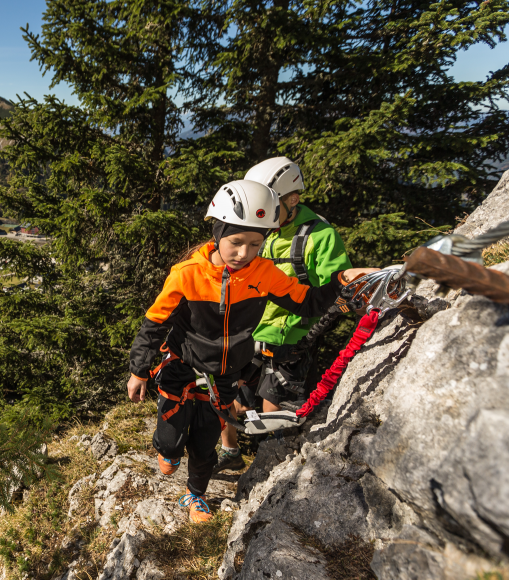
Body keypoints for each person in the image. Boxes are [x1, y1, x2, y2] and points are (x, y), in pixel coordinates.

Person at [126, 180, 376, 523]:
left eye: (256, 244)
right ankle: (166, 449)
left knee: (205, 442)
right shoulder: (187, 275)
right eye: (236, 242)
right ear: (218, 233)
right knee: (170, 439)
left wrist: (342, 281)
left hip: (226, 374)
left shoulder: (263, 273)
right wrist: (139, 369)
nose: (244, 253)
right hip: (183, 366)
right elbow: (154, 323)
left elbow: (305, 304)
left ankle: (195, 494)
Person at [215, 158, 353, 473]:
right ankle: (230, 451)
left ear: (292, 199)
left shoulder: (319, 236)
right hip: (251, 329)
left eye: (271, 205)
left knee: (273, 401)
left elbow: (338, 291)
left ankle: (271, 466)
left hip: (293, 336)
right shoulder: (259, 229)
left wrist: (311, 335)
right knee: (229, 389)